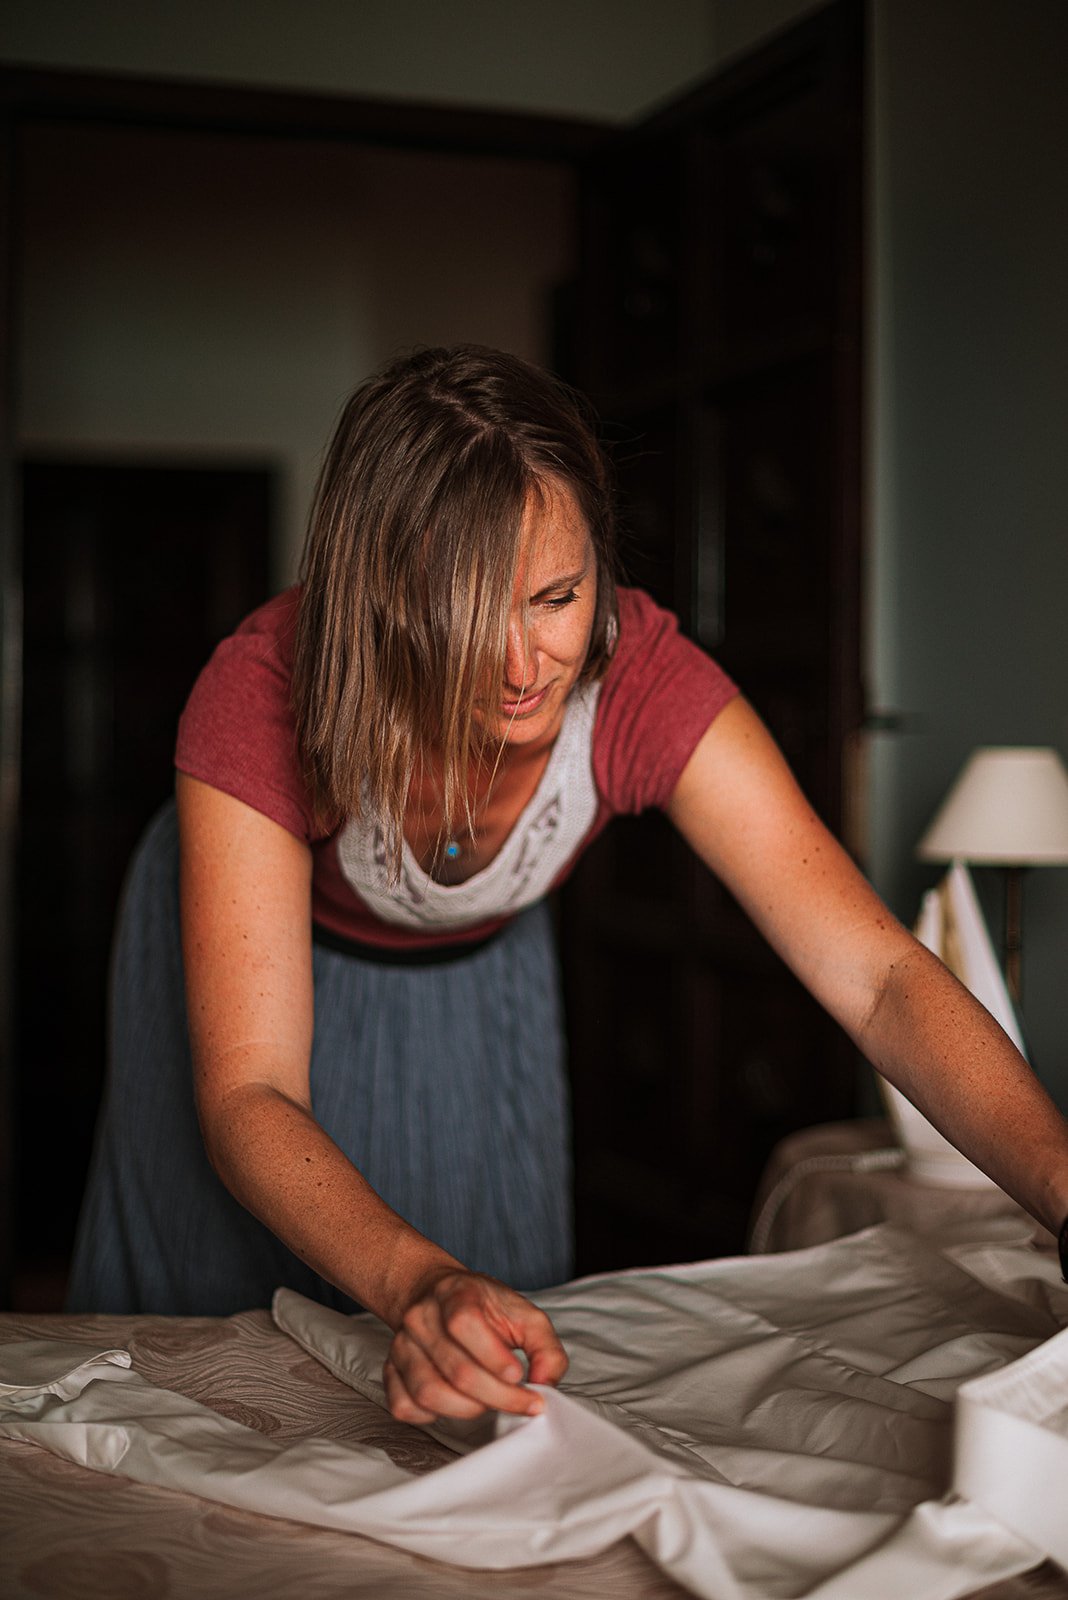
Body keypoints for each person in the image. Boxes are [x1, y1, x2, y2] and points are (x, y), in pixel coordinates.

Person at [68, 344, 1068, 1429]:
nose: (521, 663)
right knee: (219, 1343)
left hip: (479, 966)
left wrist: (1063, 1189)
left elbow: (875, 977)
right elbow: (251, 1088)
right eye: (463, 613)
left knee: (482, 1344)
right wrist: (412, 1279)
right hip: (251, 965)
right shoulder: (259, 689)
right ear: (380, 599)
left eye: (555, 596)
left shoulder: (645, 678)